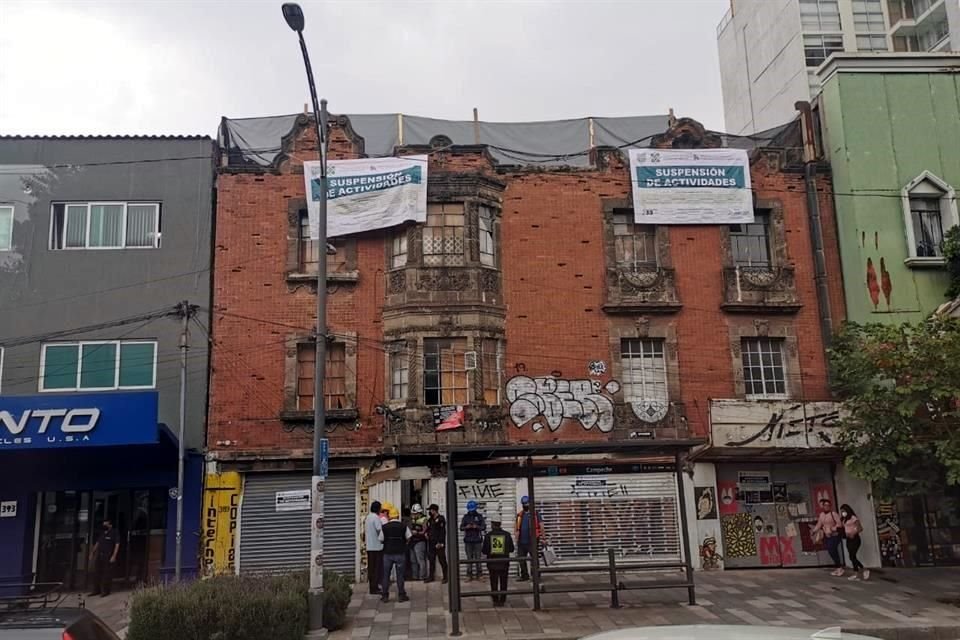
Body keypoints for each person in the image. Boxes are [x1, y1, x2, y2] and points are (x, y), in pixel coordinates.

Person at [379, 505, 411, 603]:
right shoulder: (403, 526)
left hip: (387, 553)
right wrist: (404, 543)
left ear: (389, 516)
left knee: (386, 575)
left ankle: (385, 596)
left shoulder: (384, 527)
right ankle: (401, 595)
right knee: (400, 575)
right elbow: (409, 537)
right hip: (400, 553)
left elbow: (380, 539)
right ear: (397, 516)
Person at [482, 515, 515, 607]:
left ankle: (495, 600)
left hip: (492, 563)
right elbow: (512, 549)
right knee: (504, 582)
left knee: (494, 582)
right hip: (504, 562)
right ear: (500, 524)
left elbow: (484, 550)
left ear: (492, 524)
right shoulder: (507, 535)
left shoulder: (488, 536)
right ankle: (503, 600)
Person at [812, 497, 844, 576]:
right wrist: (814, 531)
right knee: (831, 550)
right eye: (825, 505)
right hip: (827, 535)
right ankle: (838, 567)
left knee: (832, 548)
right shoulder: (822, 515)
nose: (826, 507)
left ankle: (839, 567)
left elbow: (839, 524)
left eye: (828, 505)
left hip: (835, 535)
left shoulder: (834, 514)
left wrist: (832, 528)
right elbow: (819, 524)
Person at [514, 496, 542, 581]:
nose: (525, 505)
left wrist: (543, 538)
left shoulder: (535, 514)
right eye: (524, 504)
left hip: (532, 541)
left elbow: (541, 526)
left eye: (526, 504)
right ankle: (524, 575)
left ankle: (536, 576)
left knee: (534, 559)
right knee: (521, 559)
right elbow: (516, 527)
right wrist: (516, 537)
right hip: (521, 541)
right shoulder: (519, 515)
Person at [88, 519, 119, 597]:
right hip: (100, 555)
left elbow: (117, 544)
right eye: (103, 524)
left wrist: (114, 556)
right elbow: (97, 543)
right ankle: (96, 590)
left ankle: (106, 591)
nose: (104, 526)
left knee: (107, 574)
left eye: (106, 525)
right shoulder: (102, 533)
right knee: (97, 573)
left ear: (110, 525)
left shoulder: (114, 533)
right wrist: (92, 552)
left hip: (108, 555)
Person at [840, 503, 869, 581]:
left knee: (852, 555)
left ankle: (856, 573)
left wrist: (853, 533)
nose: (842, 513)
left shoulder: (853, 518)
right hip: (848, 539)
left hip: (855, 539)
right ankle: (863, 569)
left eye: (843, 511)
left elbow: (860, 528)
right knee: (851, 556)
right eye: (841, 511)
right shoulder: (843, 519)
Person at [460, 500, 486, 581]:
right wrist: (466, 527)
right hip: (468, 541)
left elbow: (484, 527)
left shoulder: (479, 516)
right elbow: (461, 528)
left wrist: (476, 527)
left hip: (477, 540)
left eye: (473, 510)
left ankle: (480, 574)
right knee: (469, 559)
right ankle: (469, 575)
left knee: (478, 558)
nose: (471, 511)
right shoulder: (465, 517)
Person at [364, 500, 384, 595]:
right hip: (377, 547)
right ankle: (375, 588)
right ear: (378, 509)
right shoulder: (376, 518)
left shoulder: (368, 517)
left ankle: (372, 587)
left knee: (371, 569)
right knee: (376, 568)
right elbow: (380, 530)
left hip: (369, 547)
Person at [425, 503, 448, 584]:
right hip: (431, 543)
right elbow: (428, 529)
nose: (430, 512)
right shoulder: (430, 520)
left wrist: (440, 542)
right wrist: (426, 534)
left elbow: (442, 532)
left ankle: (446, 577)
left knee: (442, 560)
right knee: (431, 560)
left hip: (439, 543)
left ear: (434, 510)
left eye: (431, 510)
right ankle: (431, 576)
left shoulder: (441, 519)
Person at [409, 505, 428, 581]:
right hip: (412, 542)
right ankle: (415, 576)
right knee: (413, 560)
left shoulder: (424, 519)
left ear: (418, 512)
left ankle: (422, 576)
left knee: (420, 560)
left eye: (414, 513)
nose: (413, 515)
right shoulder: (413, 519)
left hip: (420, 541)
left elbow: (425, 531)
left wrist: (417, 533)